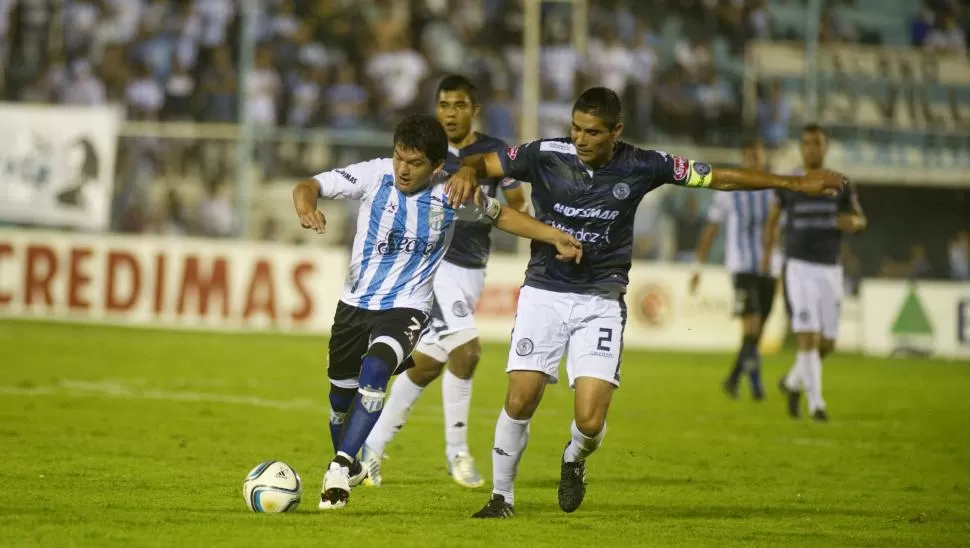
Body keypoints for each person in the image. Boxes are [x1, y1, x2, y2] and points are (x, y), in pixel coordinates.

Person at [445, 88, 848, 518]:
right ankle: (502, 497)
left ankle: (574, 459)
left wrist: (793, 183)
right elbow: (481, 161)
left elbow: (719, 178)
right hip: (544, 290)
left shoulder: (644, 165)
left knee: (590, 421)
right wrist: (468, 170)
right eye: (576, 129)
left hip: (600, 299)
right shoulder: (543, 154)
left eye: (593, 132)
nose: (581, 139)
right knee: (521, 398)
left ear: (616, 131)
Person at [291, 114, 582, 510]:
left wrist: (555, 237)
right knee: (339, 403)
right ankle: (351, 460)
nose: (403, 170)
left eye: (414, 164)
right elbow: (308, 186)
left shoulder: (452, 194)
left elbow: (504, 216)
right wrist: (307, 208)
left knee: (377, 370)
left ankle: (340, 467)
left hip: (407, 306)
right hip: (354, 306)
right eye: (399, 159)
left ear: (436, 166)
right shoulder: (374, 175)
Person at [361, 75, 528, 489]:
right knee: (467, 352)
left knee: (427, 364)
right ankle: (458, 454)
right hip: (434, 265)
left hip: (472, 268)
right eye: (443, 105)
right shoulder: (426, 153)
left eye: (458, 105)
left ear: (475, 110)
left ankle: (369, 447)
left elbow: (517, 203)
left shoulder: (494, 153)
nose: (449, 113)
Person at [762, 124, 866, 422]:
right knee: (807, 337)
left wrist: (856, 225)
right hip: (798, 266)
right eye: (806, 143)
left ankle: (793, 383)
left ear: (826, 147)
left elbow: (860, 219)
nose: (812, 148)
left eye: (817, 143)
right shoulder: (790, 182)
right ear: (801, 147)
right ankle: (817, 404)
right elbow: (773, 219)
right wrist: (768, 254)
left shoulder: (842, 183)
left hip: (831, 269)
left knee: (828, 343)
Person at [690, 139, 780, 401]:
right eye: (749, 155)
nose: (754, 159)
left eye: (758, 154)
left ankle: (732, 379)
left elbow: (779, 229)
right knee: (751, 328)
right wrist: (698, 266)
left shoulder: (775, 189)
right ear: (743, 158)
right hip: (741, 267)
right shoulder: (729, 190)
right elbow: (711, 229)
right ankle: (755, 386)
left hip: (770, 268)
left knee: (758, 332)